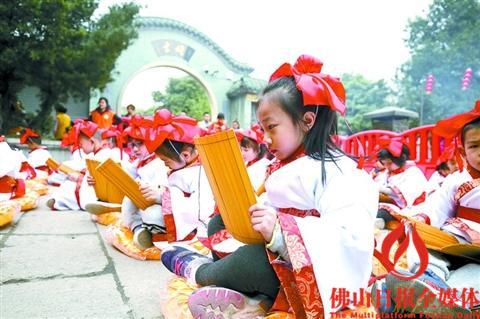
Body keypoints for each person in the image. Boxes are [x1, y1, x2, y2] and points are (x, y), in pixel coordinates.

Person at [160, 55, 379, 318]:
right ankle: (251, 298)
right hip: (273, 250)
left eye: (272, 128)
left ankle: (200, 271)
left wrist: (280, 232)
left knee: (252, 261)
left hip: (299, 266)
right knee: (218, 225)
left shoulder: (339, 171)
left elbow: (349, 235)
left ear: (307, 121)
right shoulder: (284, 164)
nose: (265, 139)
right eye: (263, 129)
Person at [377, 100, 480, 315]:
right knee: (424, 246)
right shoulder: (456, 179)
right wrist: (423, 218)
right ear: (463, 151)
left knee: (476, 273)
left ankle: (404, 297)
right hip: (455, 237)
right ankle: (430, 282)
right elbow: (438, 206)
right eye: (474, 146)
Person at [86, 115, 169, 250]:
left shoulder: (160, 163)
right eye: (132, 145)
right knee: (128, 202)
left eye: (139, 144)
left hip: (157, 205)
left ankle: (116, 209)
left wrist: (155, 194)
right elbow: (121, 184)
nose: (135, 149)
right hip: (138, 204)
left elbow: (163, 191)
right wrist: (96, 181)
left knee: (152, 214)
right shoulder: (136, 163)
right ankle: (138, 229)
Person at [145, 109, 215, 243]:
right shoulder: (183, 166)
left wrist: (162, 197)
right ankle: (140, 229)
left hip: (195, 225)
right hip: (175, 213)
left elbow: (201, 209)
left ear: (185, 155)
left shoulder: (201, 172)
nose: (166, 165)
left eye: (167, 161)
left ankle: (145, 231)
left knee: (152, 215)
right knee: (148, 211)